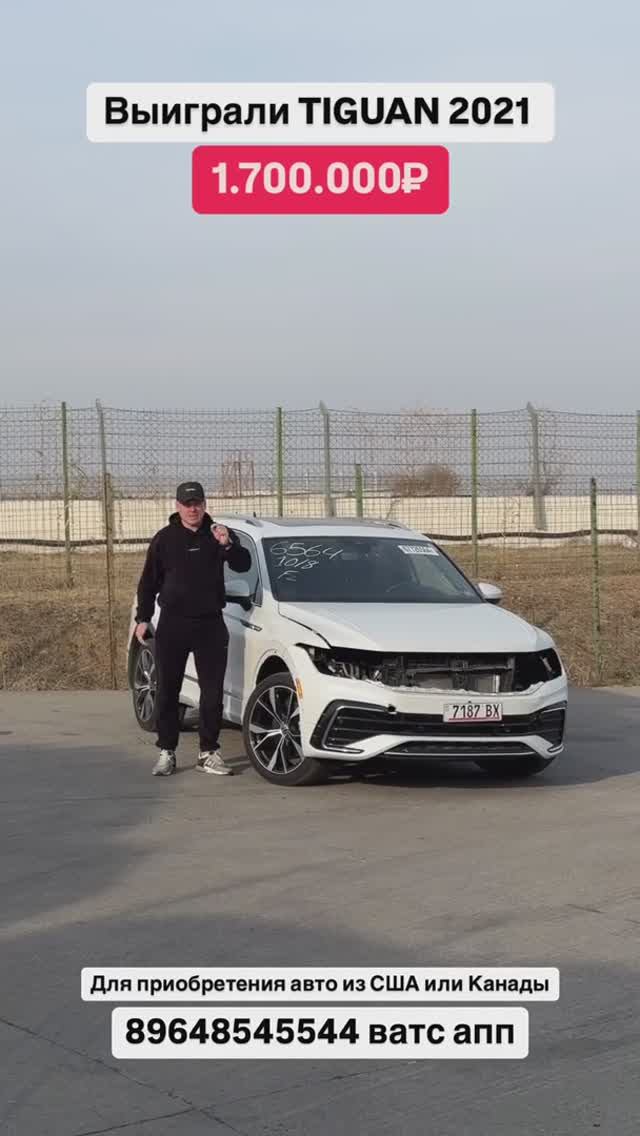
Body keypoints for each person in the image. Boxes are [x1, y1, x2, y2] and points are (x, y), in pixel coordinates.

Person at [134, 481, 251, 777]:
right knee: (167, 690)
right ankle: (167, 752)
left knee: (212, 692)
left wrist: (227, 544)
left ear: (204, 504)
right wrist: (143, 618)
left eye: (197, 503)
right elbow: (148, 582)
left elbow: (242, 564)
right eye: (187, 504)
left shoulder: (218, 534)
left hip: (210, 624)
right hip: (173, 624)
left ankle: (208, 753)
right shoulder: (164, 539)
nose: (193, 509)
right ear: (177, 506)